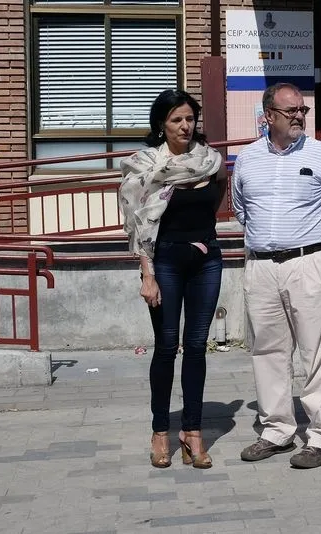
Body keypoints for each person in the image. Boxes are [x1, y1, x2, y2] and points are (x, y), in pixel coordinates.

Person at [232, 82, 321, 469]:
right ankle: (277, 430)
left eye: (302, 110)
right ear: (268, 117)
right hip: (261, 266)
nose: (300, 116)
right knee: (267, 351)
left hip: (309, 263)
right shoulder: (247, 159)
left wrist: (307, 244)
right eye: (290, 111)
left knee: (318, 352)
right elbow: (241, 210)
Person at [119, 89, 225, 470]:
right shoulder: (145, 166)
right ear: (161, 124)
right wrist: (147, 273)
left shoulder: (211, 161)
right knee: (167, 346)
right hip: (163, 262)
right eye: (177, 119)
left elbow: (216, 198)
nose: (185, 125)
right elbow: (136, 222)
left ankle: (193, 432)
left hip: (207, 260)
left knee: (197, 345)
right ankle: (160, 430)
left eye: (190, 118)